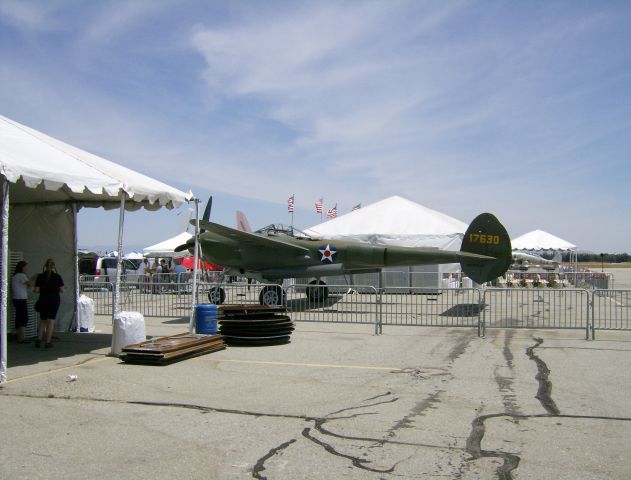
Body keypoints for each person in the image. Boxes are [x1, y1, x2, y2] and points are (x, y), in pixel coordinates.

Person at [34, 258, 64, 348]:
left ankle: (39, 340)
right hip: (54, 300)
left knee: (43, 320)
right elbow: (62, 290)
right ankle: (48, 342)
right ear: (54, 267)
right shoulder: (57, 277)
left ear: (45, 266)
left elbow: (36, 290)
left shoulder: (40, 276)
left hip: (43, 299)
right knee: (51, 321)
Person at [11, 261, 33, 343]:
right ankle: (21, 338)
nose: (27, 269)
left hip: (16, 299)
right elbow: (30, 284)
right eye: (26, 267)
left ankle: (18, 336)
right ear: (22, 267)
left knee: (18, 317)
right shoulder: (21, 275)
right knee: (23, 318)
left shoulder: (15, 276)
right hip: (21, 299)